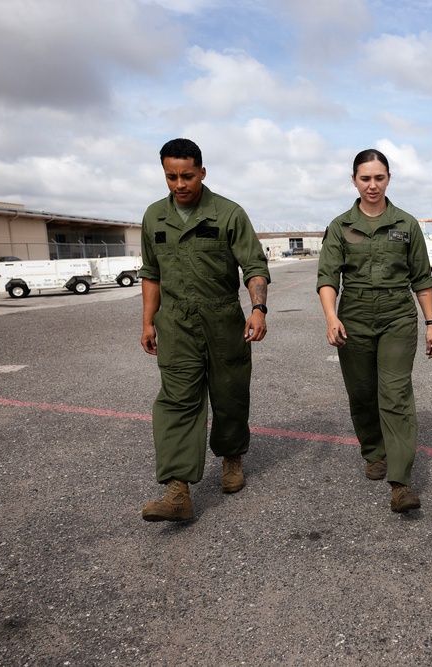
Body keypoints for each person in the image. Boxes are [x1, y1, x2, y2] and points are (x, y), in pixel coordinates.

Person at [138, 138, 271, 522]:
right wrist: (148, 320)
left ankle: (231, 457)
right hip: (176, 322)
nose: (180, 184)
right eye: (171, 177)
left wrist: (258, 309)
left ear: (202, 172)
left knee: (229, 394)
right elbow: (151, 273)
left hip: (223, 317)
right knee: (177, 400)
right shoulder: (153, 217)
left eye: (187, 176)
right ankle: (178, 490)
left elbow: (254, 266)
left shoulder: (228, 213)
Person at [316, 149, 432, 513]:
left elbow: (422, 278)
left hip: (397, 316)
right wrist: (331, 317)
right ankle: (373, 450)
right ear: (354, 180)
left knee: (396, 393)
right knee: (363, 392)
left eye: (379, 178)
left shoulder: (406, 224)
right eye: (365, 178)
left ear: (389, 179)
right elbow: (327, 277)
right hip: (352, 317)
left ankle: (401, 483)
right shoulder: (340, 226)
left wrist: (431, 324)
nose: (373, 185)